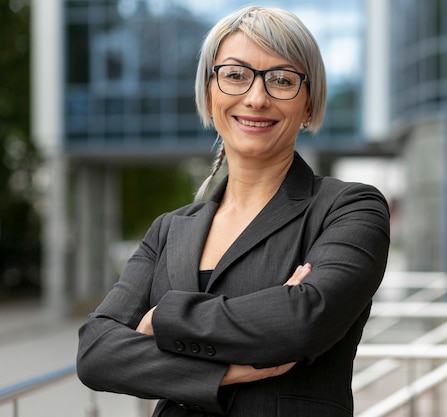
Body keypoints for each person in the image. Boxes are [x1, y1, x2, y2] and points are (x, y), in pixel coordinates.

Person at [76, 5, 390, 417]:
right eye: (236, 75)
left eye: (281, 80)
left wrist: (164, 316)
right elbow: (96, 351)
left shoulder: (349, 209)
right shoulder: (171, 229)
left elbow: (304, 320)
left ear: (309, 105)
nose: (256, 98)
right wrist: (223, 373)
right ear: (209, 94)